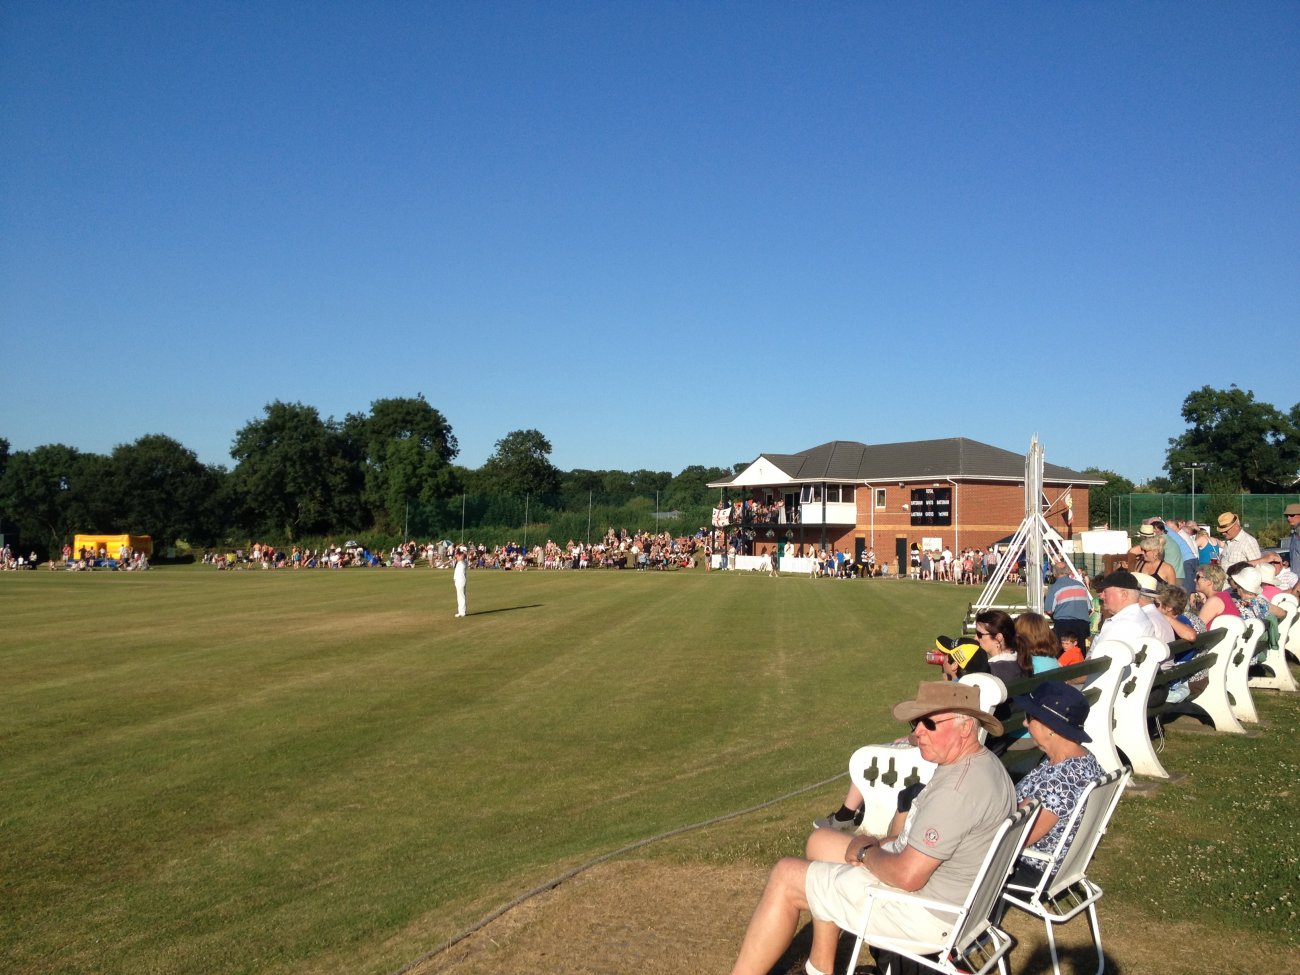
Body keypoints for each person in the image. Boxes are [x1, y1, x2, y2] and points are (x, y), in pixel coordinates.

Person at [730, 683, 1013, 975]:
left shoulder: (957, 790)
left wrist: (865, 852)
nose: (918, 732)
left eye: (930, 723)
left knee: (786, 876)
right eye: (917, 722)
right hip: (955, 898)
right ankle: (820, 966)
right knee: (820, 842)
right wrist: (883, 845)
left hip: (925, 913)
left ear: (965, 728)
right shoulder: (984, 764)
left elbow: (907, 876)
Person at [1003, 682, 1104, 886]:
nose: (1025, 724)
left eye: (1029, 717)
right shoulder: (1085, 761)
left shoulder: (1059, 783)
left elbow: (1017, 838)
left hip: (1031, 868)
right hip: (1060, 864)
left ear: (1049, 727)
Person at [1091, 570, 1160, 648]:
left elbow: (1097, 658)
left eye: (1105, 592)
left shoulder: (1120, 626)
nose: (1102, 596)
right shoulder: (1141, 617)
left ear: (1123, 594)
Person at [1043, 557, 1092, 652]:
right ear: (1068, 572)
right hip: (1082, 625)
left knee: (1063, 654)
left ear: (1055, 573)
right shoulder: (1080, 586)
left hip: (1064, 625)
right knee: (1080, 653)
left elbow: (1048, 610)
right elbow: (1089, 609)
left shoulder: (1055, 587)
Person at [974, 609, 1021, 682]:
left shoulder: (989, 671)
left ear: (998, 638)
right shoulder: (1023, 660)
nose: (975, 638)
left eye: (980, 634)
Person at [452, 547, 468, 618]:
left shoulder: (462, 563)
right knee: (460, 597)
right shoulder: (460, 562)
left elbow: (463, 555)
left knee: (461, 596)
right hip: (458, 581)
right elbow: (460, 556)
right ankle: (461, 611)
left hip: (460, 581)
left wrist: (460, 554)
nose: (457, 556)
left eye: (458, 555)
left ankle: (462, 612)